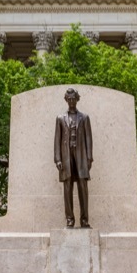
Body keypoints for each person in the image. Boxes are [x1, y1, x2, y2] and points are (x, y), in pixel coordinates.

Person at [54, 88, 93, 228]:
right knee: (67, 186)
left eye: (73, 98)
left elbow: (89, 138)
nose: (71, 101)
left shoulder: (85, 117)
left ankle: (84, 220)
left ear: (77, 99)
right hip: (66, 156)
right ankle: (70, 219)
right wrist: (57, 159)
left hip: (81, 155)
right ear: (66, 100)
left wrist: (89, 158)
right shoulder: (59, 118)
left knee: (83, 186)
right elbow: (57, 139)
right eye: (69, 99)